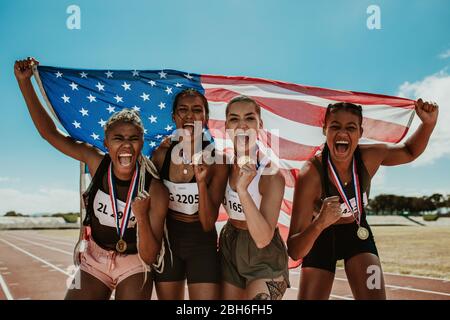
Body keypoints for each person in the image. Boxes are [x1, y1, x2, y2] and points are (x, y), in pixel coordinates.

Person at [14, 57, 168, 300]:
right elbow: (49, 134)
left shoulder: (155, 189)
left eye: (133, 139)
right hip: (95, 258)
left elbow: (150, 256)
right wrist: (25, 84)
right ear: (106, 143)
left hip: (135, 261)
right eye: (118, 138)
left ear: (142, 143)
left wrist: (141, 217)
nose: (126, 146)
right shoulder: (96, 163)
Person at [287, 100, 439, 300]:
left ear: (360, 132)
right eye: (335, 126)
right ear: (325, 130)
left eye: (351, 127)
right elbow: (295, 250)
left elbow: (409, 152)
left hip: (357, 233)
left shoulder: (370, 157)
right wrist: (320, 223)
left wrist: (428, 125)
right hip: (320, 237)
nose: (343, 133)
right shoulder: (311, 174)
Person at [150, 88, 228, 300]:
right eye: (182, 110)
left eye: (196, 110)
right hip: (169, 242)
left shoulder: (218, 162)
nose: (189, 116)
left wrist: (201, 183)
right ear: (174, 116)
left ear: (205, 118)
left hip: (202, 243)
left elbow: (207, 222)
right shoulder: (160, 155)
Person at [219, 95, 289, 300]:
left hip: (264, 255)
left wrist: (242, 190)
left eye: (249, 118)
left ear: (260, 124)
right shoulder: (222, 165)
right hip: (230, 244)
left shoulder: (271, 174)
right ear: (226, 126)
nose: (241, 125)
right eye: (234, 119)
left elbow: (262, 239)